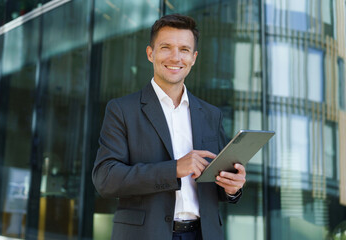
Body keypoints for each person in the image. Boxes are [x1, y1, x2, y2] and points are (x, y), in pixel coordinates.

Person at [92, 14, 246, 240]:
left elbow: (215, 185)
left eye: (184, 50)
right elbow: (106, 179)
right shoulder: (122, 110)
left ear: (193, 58)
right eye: (166, 47)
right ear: (150, 53)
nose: (176, 57)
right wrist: (174, 169)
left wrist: (232, 188)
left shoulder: (212, 115)